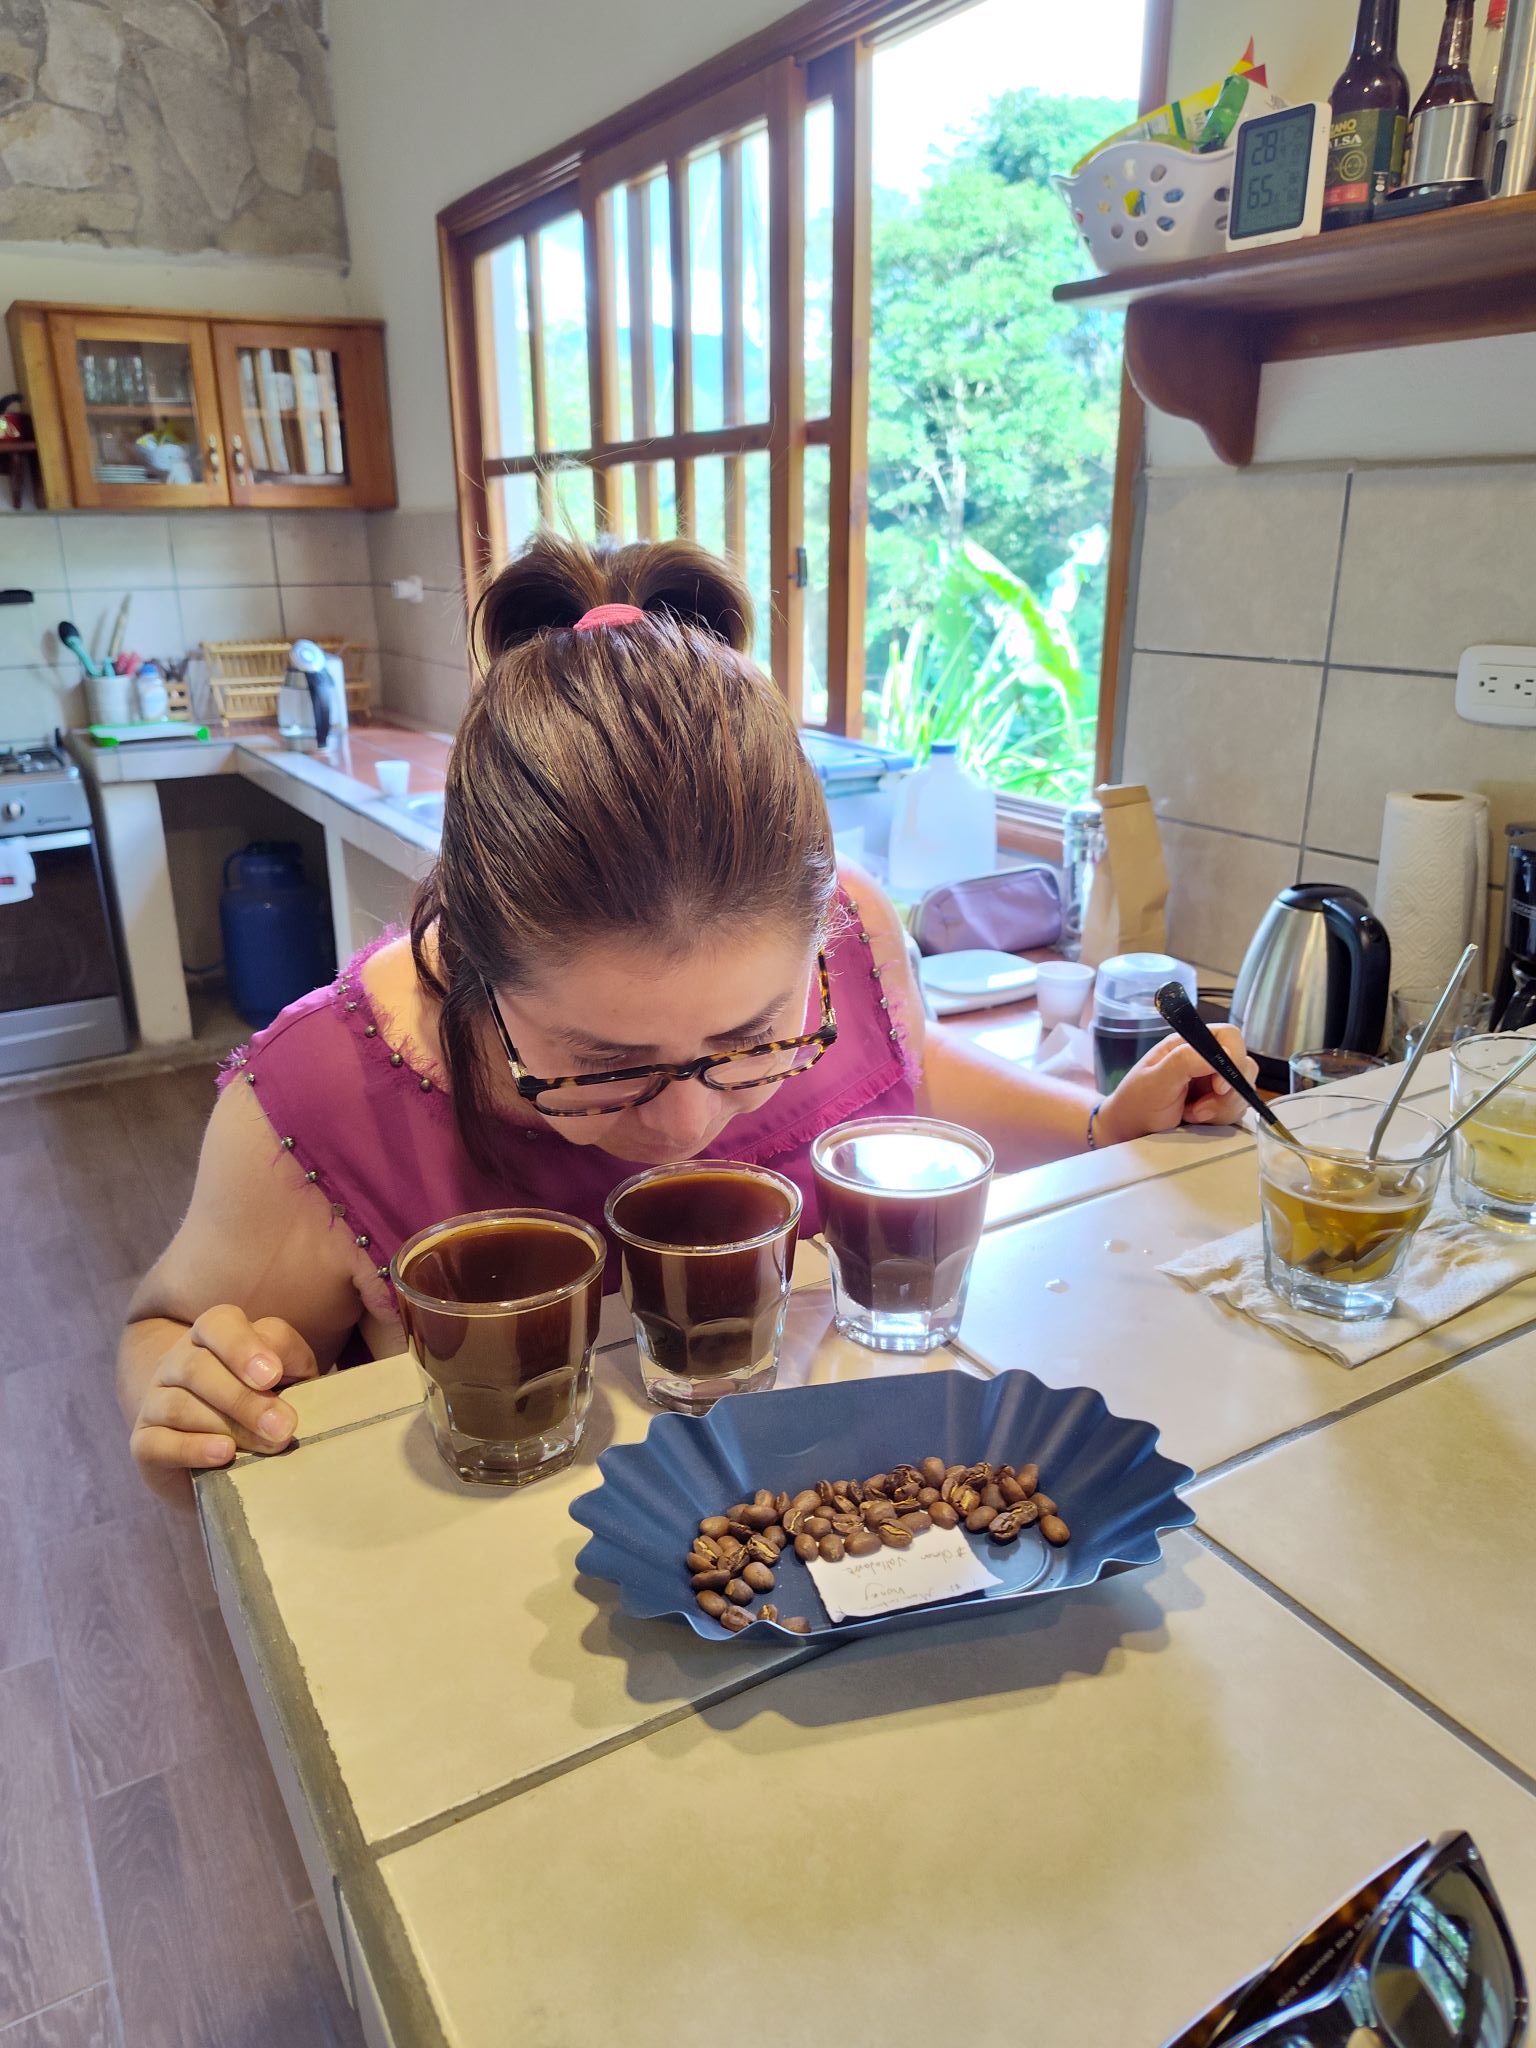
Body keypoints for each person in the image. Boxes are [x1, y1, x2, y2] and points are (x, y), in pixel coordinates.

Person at [118, 534, 1255, 1502]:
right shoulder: (320, 1103)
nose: (685, 1127)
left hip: (839, 1525)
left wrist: (1101, 1123)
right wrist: (189, 1393)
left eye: (754, 1041)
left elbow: (912, 1072)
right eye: (602, 1067)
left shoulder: (854, 934)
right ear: (466, 963)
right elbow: (160, 1334)